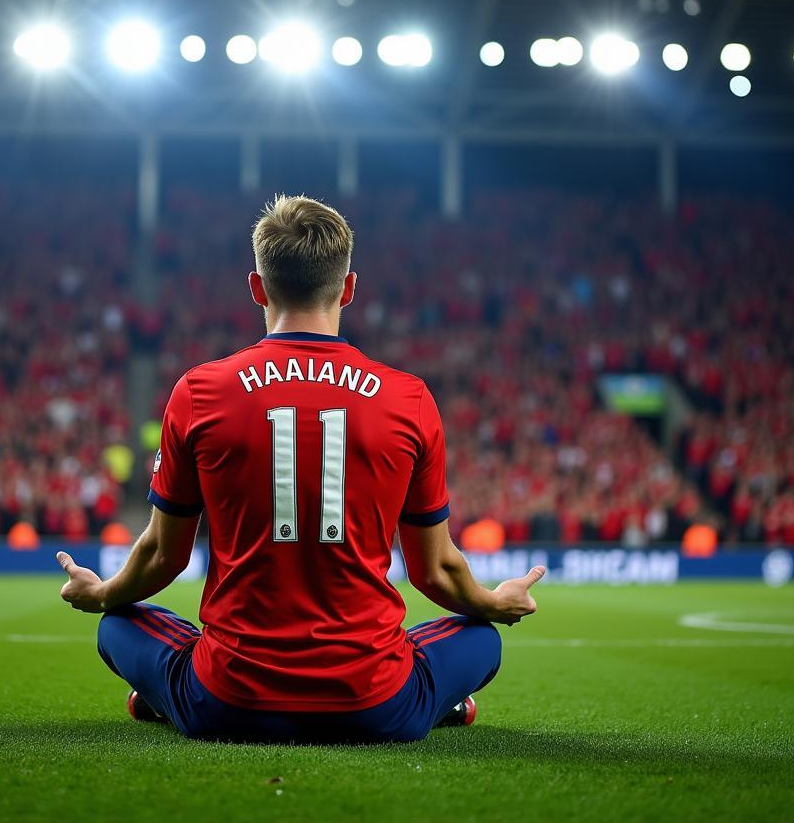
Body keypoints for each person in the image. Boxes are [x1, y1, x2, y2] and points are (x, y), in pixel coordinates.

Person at [57, 195, 544, 743]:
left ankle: (169, 696)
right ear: (349, 288)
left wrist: (101, 594)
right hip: (373, 704)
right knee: (483, 640)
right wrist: (493, 603)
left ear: (257, 288)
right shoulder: (409, 398)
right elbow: (437, 573)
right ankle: (438, 705)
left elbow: (160, 556)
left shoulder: (199, 391)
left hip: (227, 702)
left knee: (119, 624)